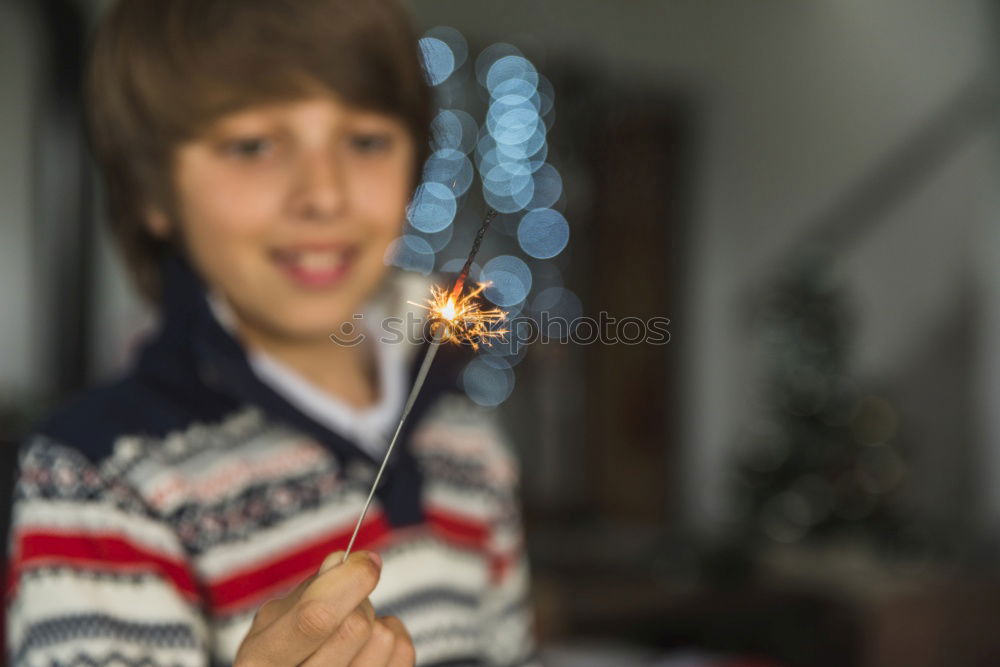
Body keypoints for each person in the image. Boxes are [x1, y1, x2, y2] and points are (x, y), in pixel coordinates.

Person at [5, 1, 538, 665]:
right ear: (151, 189)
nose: (324, 195)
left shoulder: (469, 443)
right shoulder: (96, 479)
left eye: (366, 140)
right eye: (253, 145)